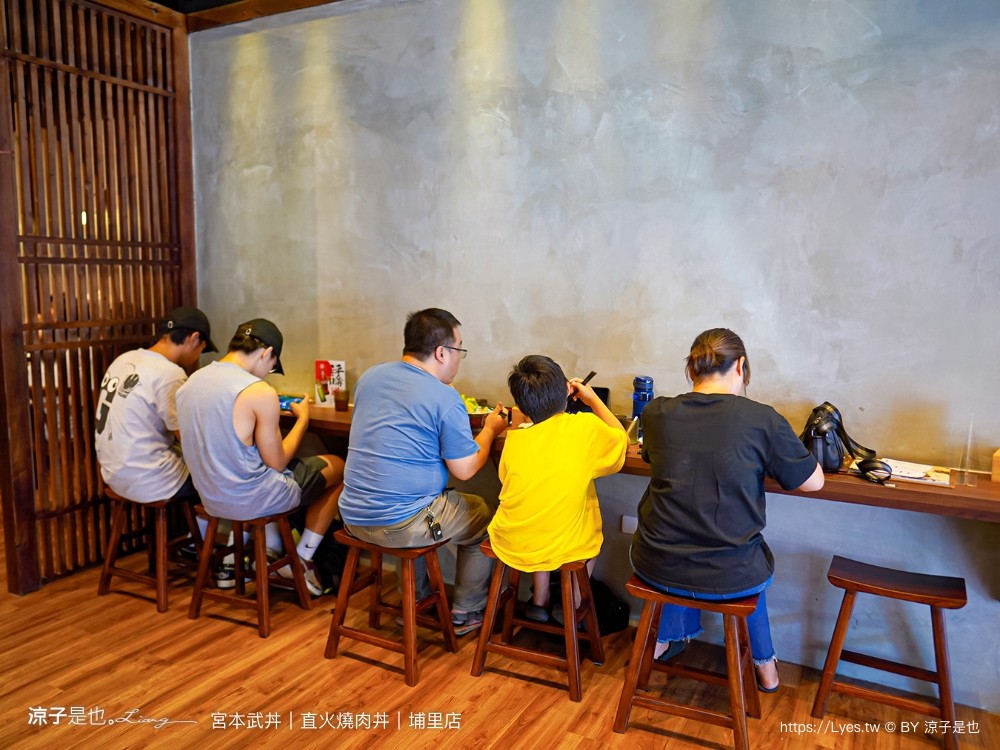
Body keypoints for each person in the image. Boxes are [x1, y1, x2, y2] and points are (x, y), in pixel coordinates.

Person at [629, 328, 824, 692]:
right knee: (743, 561)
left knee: (680, 545)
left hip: (655, 563)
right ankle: (766, 669)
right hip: (730, 573)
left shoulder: (656, 412)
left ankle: (657, 643)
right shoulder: (762, 420)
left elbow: (653, 456)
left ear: (692, 370)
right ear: (741, 366)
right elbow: (813, 482)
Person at [337, 308, 508, 636]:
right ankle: (465, 612)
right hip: (401, 524)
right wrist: (490, 429)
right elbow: (466, 468)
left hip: (353, 517)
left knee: (417, 500)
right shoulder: (444, 397)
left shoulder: (370, 378)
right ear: (442, 352)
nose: (460, 358)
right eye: (460, 349)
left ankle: (413, 604)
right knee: (487, 517)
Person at [176, 318, 345, 595]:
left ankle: (253, 553)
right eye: (272, 367)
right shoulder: (258, 391)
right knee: (339, 466)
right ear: (266, 353)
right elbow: (276, 462)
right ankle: (301, 558)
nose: (267, 373)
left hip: (210, 498)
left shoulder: (191, 382)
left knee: (271, 467)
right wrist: (302, 420)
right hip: (252, 500)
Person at [490, 355, 627, 623]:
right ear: (567, 389)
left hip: (512, 541)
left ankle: (540, 600)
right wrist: (592, 400)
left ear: (520, 405)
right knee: (589, 530)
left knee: (541, 513)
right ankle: (572, 604)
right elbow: (620, 440)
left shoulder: (515, 437)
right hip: (562, 545)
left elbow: (504, 478)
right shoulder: (584, 428)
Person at [94, 305, 216, 514]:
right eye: (201, 349)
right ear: (193, 338)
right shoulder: (170, 374)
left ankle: (196, 541)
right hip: (149, 480)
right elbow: (188, 440)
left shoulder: (123, 359)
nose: (197, 357)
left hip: (113, 475)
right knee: (217, 479)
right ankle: (200, 545)